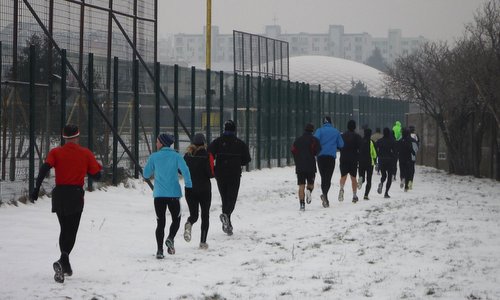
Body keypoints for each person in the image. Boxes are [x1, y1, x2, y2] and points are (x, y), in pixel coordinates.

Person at [30, 124, 102, 283]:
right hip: (75, 195)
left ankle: (66, 265)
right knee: (72, 230)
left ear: (64, 137)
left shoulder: (55, 152)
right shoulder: (85, 153)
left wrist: (36, 189)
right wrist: (93, 169)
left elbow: (44, 168)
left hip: (59, 195)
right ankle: (62, 261)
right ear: (77, 136)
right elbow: (97, 176)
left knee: (64, 229)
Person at [143, 133, 192, 259]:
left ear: (162, 143)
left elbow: (146, 174)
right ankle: (170, 238)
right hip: (173, 195)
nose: (156, 143)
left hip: (159, 195)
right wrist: (188, 185)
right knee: (176, 219)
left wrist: (149, 172)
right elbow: (185, 171)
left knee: (160, 223)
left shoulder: (154, 157)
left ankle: (159, 250)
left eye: (157, 141)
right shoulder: (176, 156)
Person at [208, 120, 251, 236]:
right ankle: (226, 215)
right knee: (231, 198)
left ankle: (227, 224)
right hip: (234, 174)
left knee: (224, 198)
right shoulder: (240, 143)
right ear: (234, 130)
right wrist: (238, 162)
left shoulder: (217, 142)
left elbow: (209, 153)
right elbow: (247, 159)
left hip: (220, 174)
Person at [183, 133, 214, 249]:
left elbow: (181, 171)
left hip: (190, 189)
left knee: (194, 215)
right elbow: (211, 173)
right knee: (205, 215)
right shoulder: (207, 155)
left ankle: (190, 222)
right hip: (204, 189)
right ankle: (203, 242)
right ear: (204, 143)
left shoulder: (187, 156)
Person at [313, 116, 344, 208]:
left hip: (320, 157)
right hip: (330, 157)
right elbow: (341, 144)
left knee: (323, 177)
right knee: (328, 177)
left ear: (323, 123)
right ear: (331, 122)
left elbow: (314, 140)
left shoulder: (319, 130)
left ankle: (325, 196)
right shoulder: (336, 131)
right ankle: (325, 195)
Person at [291, 123, 321, 211]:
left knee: (301, 185)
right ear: (312, 130)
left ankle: (302, 204)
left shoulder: (298, 140)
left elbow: (293, 150)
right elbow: (318, 151)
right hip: (310, 165)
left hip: (300, 165)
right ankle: (309, 191)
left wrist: (298, 158)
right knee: (311, 184)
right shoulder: (314, 140)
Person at [338, 120, 362, 203]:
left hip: (344, 158)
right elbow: (360, 148)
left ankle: (341, 188)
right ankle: (354, 195)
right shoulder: (357, 136)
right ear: (354, 126)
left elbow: (339, 146)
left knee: (343, 176)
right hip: (353, 159)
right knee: (353, 178)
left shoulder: (342, 136)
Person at [376, 127, 397, 198]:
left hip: (382, 160)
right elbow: (395, 152)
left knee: (384, 175)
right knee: (389, 176)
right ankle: (386, 193)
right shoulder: (392, 141)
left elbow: (375, 147)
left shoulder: (380, 141)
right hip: (390, 160)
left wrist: (378, 154)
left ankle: (381, 182)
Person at [358, 128, 377, 200]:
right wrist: (375, 160)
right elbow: (374, 154)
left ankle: (361, 180)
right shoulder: (371, 142)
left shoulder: (360, 141)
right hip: (369, 162)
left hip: (361, 162)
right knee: (369, 179)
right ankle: (366, 195)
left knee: (362, 176)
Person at [408, 125, 420, 189]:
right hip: (413, 155)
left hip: (406, 155)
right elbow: (418, 144)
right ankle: (410, 183)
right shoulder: (415, 136)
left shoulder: (406, 136)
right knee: (412, 169)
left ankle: (404, 179)